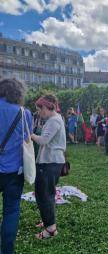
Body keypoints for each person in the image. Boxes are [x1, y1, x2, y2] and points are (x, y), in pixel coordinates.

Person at [0, 79, 32, 254]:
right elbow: (26, 139)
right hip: (14, 171)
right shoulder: (24, 113)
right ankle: (6, 252)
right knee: (11, 210)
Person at [31, 94, 66, 239]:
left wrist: (29, 135)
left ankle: (50, 229)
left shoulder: (53, 120)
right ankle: (47, 221)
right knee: (45, 193)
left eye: (41, 108)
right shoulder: (55, 119)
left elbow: (43, 140)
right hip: (51, 162)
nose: (40, 112)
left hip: (50, 162)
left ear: (47, 106)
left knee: (45, 194)